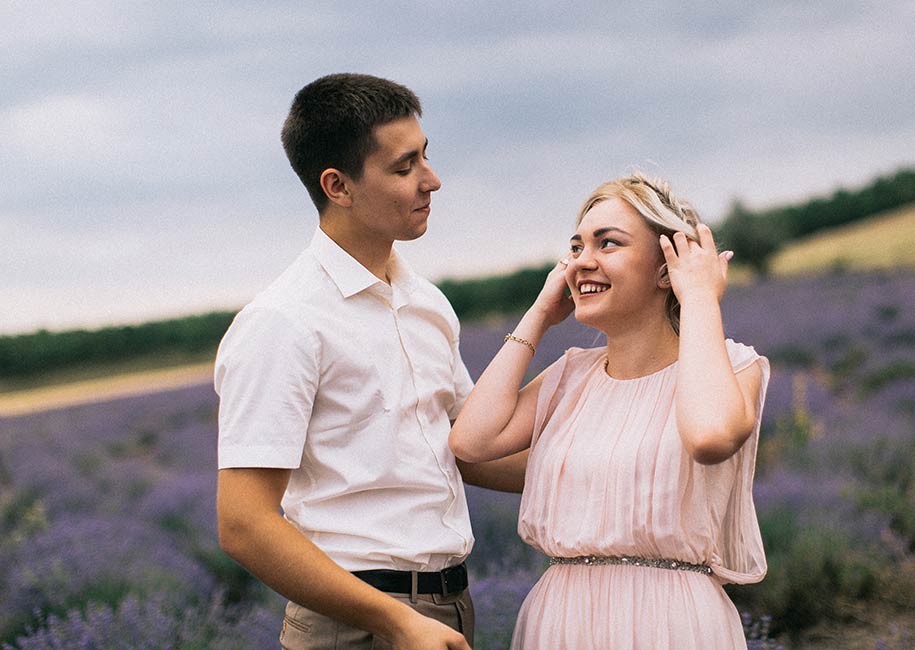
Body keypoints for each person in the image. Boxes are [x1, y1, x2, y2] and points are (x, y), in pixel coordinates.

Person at [214, 73, 522, 650]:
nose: (432, 180)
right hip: (354, 624)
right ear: (338, 185)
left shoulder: (427, 303)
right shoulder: (284, 321)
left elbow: (469, 451)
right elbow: (243, 524)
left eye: (425, 157)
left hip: (450, 605)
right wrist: (395, 620)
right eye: (404, 167)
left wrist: (608, 461)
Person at [449, 172, 769, 649]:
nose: (582, 263)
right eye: (576, 248)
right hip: (560, 623)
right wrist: (538, 314)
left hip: (670, 625)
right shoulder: (570, 376)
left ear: (666, 268)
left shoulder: (736, 365)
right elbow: (469, 443)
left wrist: (699, 296)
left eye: (608, 244)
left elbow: (708, 436)